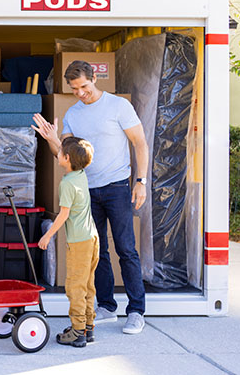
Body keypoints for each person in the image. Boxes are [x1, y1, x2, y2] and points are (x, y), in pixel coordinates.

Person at [32, 60, 149, 335]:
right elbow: (64, 154)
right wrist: (51, 138)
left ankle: (136, 311)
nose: (80, 92)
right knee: (98, 252)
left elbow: (140, 143)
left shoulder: (118, 106)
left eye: (84, 86)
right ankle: (107, 306)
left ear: (95, 78)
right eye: (74, 89)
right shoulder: (73, 114)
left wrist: (141, 181)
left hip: (117, 186)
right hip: (87, 191)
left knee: (126, 249)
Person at [38, 136, 99, 347]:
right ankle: (87, 326)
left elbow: (63, 215)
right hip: (92, 238)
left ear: (66, 158)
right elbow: (68, 152)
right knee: (88, 285)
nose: (57, 155)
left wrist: (47, 236)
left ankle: (78, 331)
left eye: (60, 152)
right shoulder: (81, 175)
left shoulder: (66, 184)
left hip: (79, 242)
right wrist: (53, 136)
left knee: (74, 287)